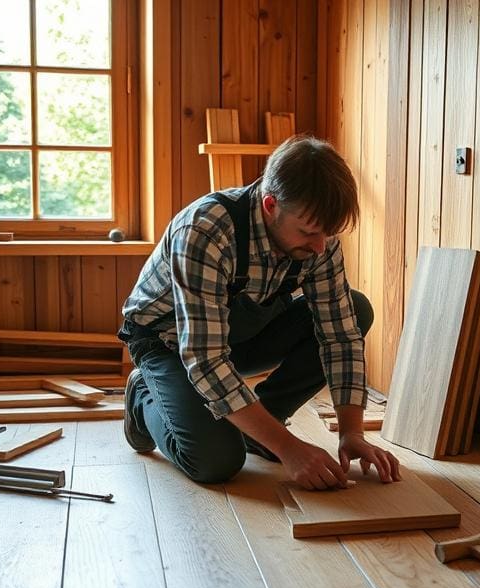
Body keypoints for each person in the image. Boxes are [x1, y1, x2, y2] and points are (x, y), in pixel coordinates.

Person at [118, 135, 401, 490]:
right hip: (169, 343)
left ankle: (260, 427)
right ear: (270, 205)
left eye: (328, 235)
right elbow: (205, 360)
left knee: (356, 309)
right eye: (309, 233)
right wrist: (288, 448)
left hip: (235, 338)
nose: (320, 247)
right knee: (215, 462)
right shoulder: (206, 229)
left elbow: (340, 336)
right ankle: (144, 397)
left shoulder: (318, 238)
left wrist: (352, 433)